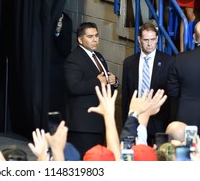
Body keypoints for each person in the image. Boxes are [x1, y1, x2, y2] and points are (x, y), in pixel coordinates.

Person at [63, 22, 119, 157]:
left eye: (96, 35)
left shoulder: (98, 56)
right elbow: (74, 87)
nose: (95, 39)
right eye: (90, 36)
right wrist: (97, 81)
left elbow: (104, 80)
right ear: (80, 40)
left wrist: (113, 81)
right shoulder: (73, 59)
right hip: (83, 125)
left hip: (99, 122)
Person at [122, 22, 175, 145]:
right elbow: (126, 95)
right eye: (146, 40)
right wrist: (126, 121)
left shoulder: (169, 62)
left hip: (160, 121)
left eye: (152, 39)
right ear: (139, 39)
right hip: (136, 120)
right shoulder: (129, 63)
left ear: (157, 39)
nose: (150, 43)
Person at [167, 21, 200, 135]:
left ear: (195, 37)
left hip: (186, 118)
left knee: (185, 152)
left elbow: (172, 91)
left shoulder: (180, 59)